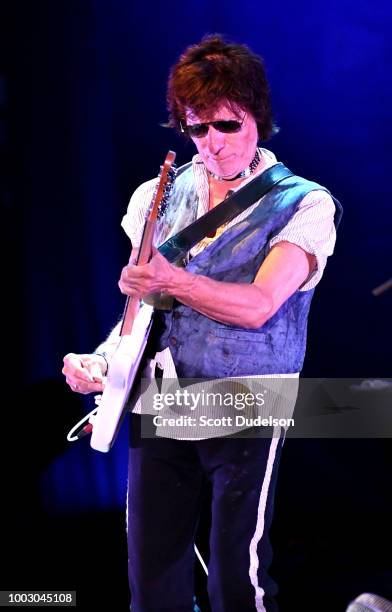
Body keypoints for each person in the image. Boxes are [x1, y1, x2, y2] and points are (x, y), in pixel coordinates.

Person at [62, 34, 342, 612]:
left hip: (247, 401)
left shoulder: (306, 203)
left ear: (256, 119)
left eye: (227, 126)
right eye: (197, 129)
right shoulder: (155, 197)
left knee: (235, 582)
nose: (212, 144)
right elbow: (141, 314)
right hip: (162, 401)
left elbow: (261, 304)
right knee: (153, 581)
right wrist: (106, 360)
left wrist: (173, 281)